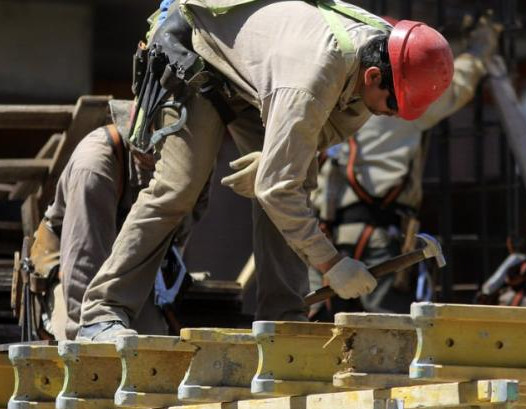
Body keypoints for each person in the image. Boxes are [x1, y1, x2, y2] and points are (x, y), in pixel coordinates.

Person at [76, 0, 454, 341]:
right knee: (179, 188)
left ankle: (284, 323)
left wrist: (278, 157)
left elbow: (329, 129)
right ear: (372, 77)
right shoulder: (315, 76)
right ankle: (102, 313)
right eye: (391, 105)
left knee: (296, 175)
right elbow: (278, 189)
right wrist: (331, 263)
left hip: (260, 78)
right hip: (196, 54)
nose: (389, 114)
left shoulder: (381, 57)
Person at [308, 15, 501, 319]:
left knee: (319, 324)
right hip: (379, 233)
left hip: (326, 237)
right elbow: (457, 86)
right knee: (389, 327)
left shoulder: (339, 93)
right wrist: (479, 49)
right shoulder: (401, 103)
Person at [29, 100, 206, 340]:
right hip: (72, 276)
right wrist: (87, 343)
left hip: (133, 274)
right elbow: (83, 267)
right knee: (86, 350)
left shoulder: (194, 163)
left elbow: (180, 231)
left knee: (154, 351)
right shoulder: (94, 166)